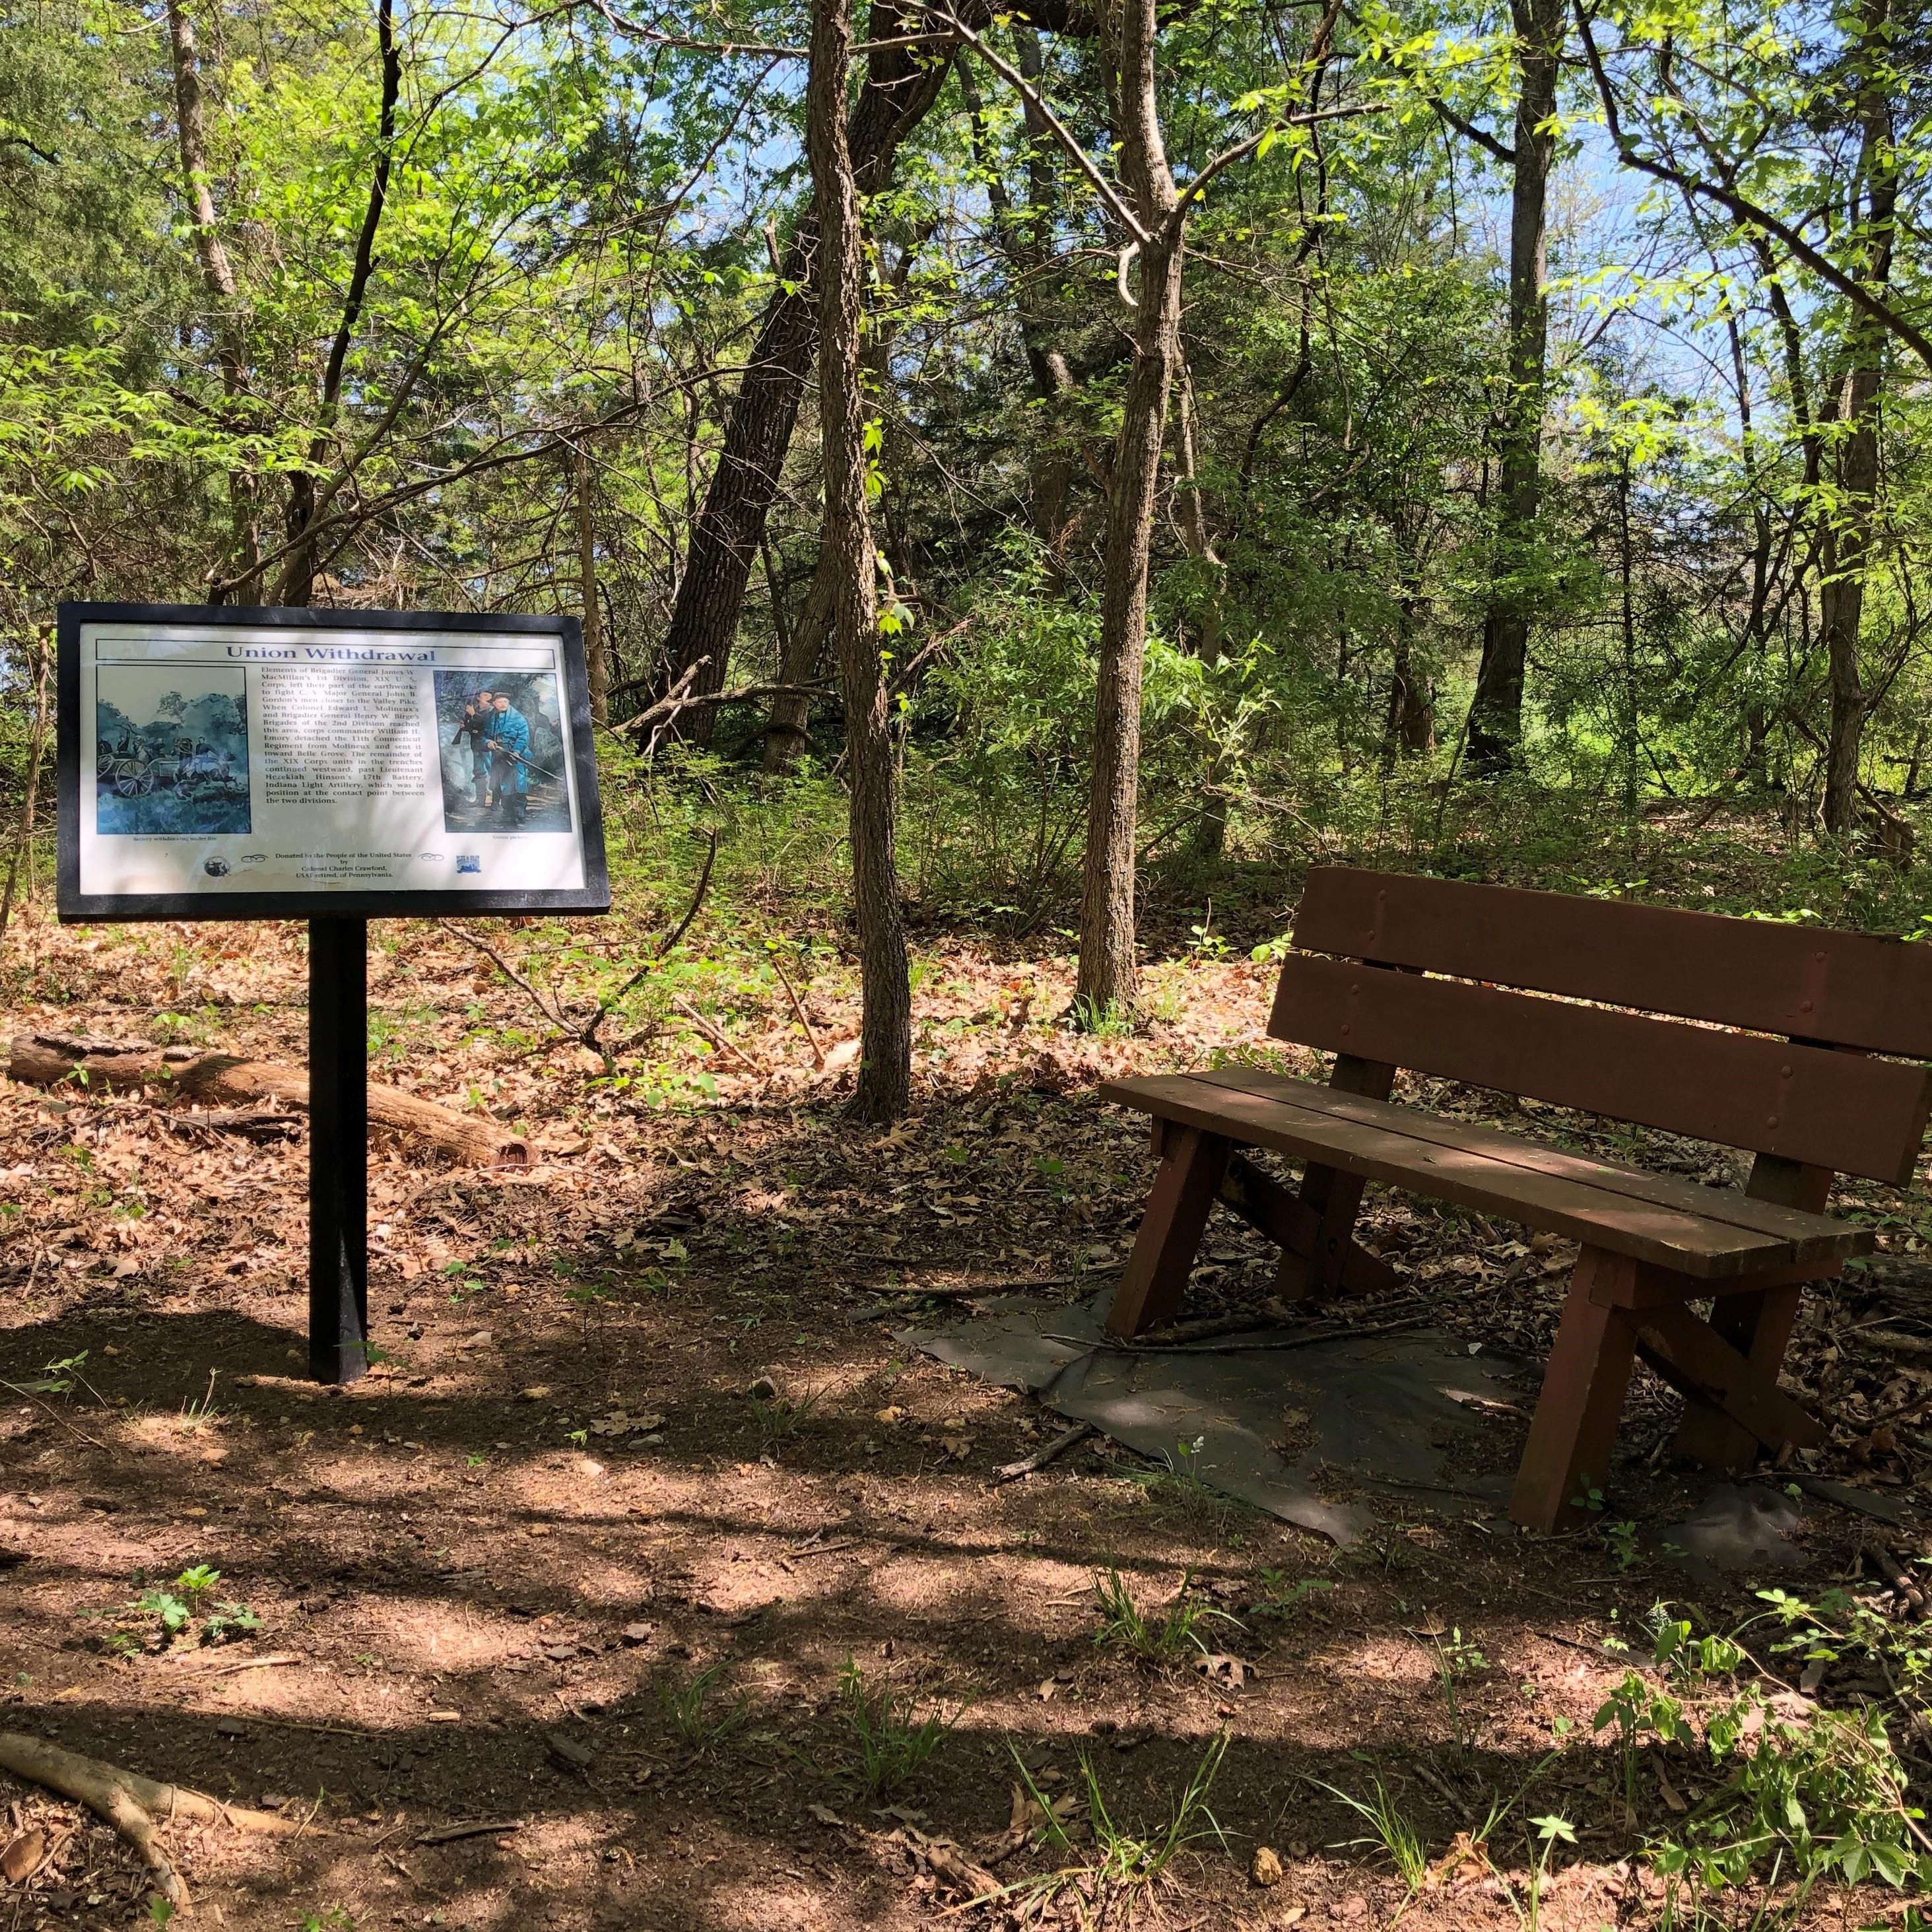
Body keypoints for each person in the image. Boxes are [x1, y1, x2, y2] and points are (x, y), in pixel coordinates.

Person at [483, 692, 531, 828]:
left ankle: (520, 817)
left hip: (515, 756)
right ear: (494, 704)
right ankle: (507, 816)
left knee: (517, 788)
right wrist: (488, 742)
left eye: (505, 702)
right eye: (499, 702)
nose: (503, 704)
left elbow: (523, 737)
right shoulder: (490, 717)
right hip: (498, 756)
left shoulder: (518, 718)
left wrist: (516, 751)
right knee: (501, 787)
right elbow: (484, 735)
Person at [451, 690, 494, 811]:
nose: (484, 697)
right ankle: (480, 801)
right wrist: (466, 726)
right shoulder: (478, 710)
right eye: (484, 695)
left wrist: (473, 714)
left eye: (487, 696)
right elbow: (474, 728)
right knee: (479, 772)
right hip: (476, 745)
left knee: (493, 772)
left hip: (488, 747)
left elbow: (486, 726)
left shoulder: (491, 712)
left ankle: (496, 801)